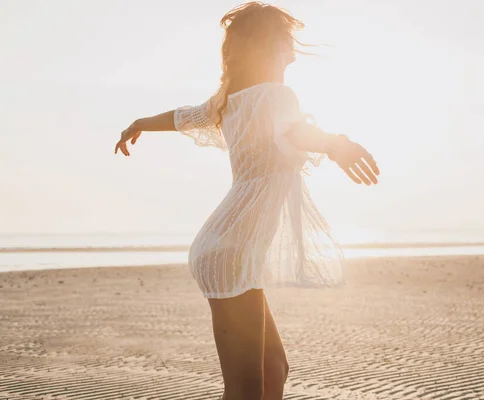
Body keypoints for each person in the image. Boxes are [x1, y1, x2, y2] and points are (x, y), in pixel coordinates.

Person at [114, 2, 379, 399]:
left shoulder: (230, 100)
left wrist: (140, 124)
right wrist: (336, 144)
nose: (292, 45)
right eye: (286, 36)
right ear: (271, 43)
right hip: (230, 250)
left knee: (274, 370)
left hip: (229, 247)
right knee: (246, 389)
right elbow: (296, 134)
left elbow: (186, 116)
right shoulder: (276, 96)